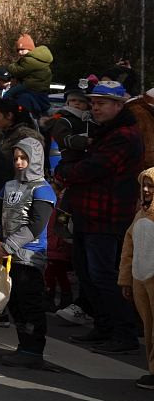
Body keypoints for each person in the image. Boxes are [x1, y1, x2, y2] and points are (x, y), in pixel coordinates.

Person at [54, 80, 144, 355]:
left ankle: (124, 331)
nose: (95, 108)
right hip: (88, 213)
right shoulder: (104, 131)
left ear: (118, 105)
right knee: (87, 274)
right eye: (93, 103)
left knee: (104, 275)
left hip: (106, 215)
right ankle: (104, 326)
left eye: (102, 103)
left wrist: (66, 169)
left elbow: (91, 168)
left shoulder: (124, 135)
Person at [0, 138, 56, 368]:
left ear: (35, 159)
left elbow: (36, 225)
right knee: (15, 302)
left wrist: (7, 246)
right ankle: (23, 346)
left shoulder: (43, 190)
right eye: (16, 157)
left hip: (29, 255)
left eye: (24, 158)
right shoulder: (8, 186)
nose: (19, 162)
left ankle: (33, 351)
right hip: (6, 254)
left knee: (31, 304)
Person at [119, 168, 154, 389]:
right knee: (148, 325)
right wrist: (126, 279)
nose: (146, 189)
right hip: (140, 277)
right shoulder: (140, 213)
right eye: (144, 185)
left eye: (151, 185)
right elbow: (128, 248)